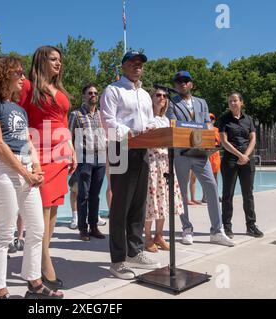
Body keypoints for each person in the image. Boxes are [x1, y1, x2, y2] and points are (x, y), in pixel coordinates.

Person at [0, 55, 63, 299]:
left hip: (26, 170)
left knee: (36, 230)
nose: (23, 78)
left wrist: (36, 168)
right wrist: (25, 172)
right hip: (4, 172)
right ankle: (0, 290)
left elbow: (27, 140)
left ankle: (35, 283)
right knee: (5, 233)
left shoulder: (17, 108)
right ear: (3, 75)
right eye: (18, 73)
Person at [19, 46, 77, 289]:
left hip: (60, 153)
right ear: (41, 61)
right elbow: (18, 118)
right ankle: (44, 264)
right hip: (38, 152)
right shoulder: (27, 87)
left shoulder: (59, 89)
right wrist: (27, 153)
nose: (58, 63)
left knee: (52, 210)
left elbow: (63, 120)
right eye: (53, 59)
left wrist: (71, 148)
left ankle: (43, 257)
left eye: (60, 60)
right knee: (40, 213)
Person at [101, 51, 161, 280]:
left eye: (141, 64)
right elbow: (108, 121)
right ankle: (117, 260)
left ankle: (135, 251)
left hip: (142, 149)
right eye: (133, 63)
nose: (137, 66)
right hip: (120, 150)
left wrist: (153, 126)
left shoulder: (145, 94)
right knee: (120, 206)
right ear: (124, 66)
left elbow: (151, 119)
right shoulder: (113, 90)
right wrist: (132, 132)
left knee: (138, 203)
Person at [166, 70, 234, 247]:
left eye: (186, 80)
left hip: (200, 154)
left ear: (191, 84)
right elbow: (174, 126)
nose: (182, 83)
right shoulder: (171, 104)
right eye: (179, 81)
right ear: (175, 85)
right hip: (181, 154)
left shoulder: (202, 102)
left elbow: (208, 125)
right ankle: (187, 228)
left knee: (211, 188)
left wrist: (208, 139)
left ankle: (217, 231)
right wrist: (197, 128)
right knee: (181, 192)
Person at [144, 88, 184, 253]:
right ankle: (147, 236)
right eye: (158, 95)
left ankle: (159, 235)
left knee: (164, 200)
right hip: (151, 161)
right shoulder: (145, 117)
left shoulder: (166, 120)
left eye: (165, 96)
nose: (162, 98)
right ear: (151, 98)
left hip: (166, 161)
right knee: (151, 200)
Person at [219, 92, 264, 238]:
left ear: (241, 102)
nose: (232, 103)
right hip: (230, 161)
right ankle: (227, 227)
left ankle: (251, 226)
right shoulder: (224, 119)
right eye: (230, 101)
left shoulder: (249, 119)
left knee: (248, 194)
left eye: (235, 100)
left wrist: (246, 156)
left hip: (247, 160)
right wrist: (240, 155)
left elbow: (253, 139)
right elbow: (224, 142)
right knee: (227, 195)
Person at [68, 84, 106, 241]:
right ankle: (83, 229)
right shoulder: (76, 114)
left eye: (96, 93)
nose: (93, 95)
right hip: (84, 159)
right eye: (90, 93)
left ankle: (94, 226)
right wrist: (72, 157)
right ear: (84, 96)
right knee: (83, 194)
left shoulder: (101, 115)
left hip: (101, 158)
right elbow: (68, 137)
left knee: (95, 195)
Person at [202, 113, 222, 203]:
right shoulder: (203, 129)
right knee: (205, 176)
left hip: (215, 154)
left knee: (215, 176)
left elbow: (218, 141)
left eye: (212, 119)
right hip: (206, 153)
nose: (210, 120)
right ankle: (204, 197)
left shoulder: (217, 130)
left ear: (214, 120)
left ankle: (215, 196)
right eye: (208, 119)